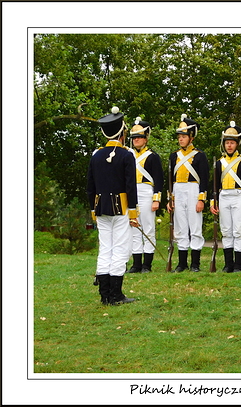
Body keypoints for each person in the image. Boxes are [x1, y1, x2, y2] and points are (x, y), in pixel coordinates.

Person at [87, 106, 139, 305]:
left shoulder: (96, 155)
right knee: (119, 249)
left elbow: (90, 187)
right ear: (122, 131)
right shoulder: (126, 155)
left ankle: (104, 295)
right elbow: (130, 186)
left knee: (105, 249)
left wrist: (93, 210)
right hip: (121, 208)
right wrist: (133, 213)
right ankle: (115, 295)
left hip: (100, 208)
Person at [210, 121, 241, 272]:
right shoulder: (219, 163)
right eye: (227, 143)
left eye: (232, 143)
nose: (229, 145)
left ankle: (238, 265)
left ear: (237, 144)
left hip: (238, 196)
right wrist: (213, 202)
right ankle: (228, 264)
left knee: (238, 230)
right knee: (226, 231)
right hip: (223, 196)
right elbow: (214, 185)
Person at [167, 114, 209, 272]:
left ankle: (195, 264)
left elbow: (205, 180)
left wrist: (201, 199)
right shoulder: (174, 156)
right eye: (179, 136)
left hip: (193, 191)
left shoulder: (199, 156)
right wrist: (170, 199)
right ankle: (182, 263)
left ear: (191, 137)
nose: (181, 139)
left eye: (184, 136)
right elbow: (170, 180)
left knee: (195, 227)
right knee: (180, 228)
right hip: (178, 191)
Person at [127, 117, 164, 274]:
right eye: (134, 137)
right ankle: (136, 264)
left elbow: (159, 179)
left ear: (145, 138)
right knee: (134, 229)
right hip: (131, 192)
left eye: (139, 137)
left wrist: (156, 199)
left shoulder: (152, 156)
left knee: (148, 229)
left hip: (146, 192)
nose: (136, 140)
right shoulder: (128, 155)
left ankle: (147, 265)